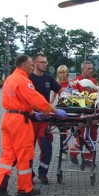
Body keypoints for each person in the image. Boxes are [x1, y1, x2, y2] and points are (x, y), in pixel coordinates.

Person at [0, 55, 68, 196]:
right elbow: (36, 99)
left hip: (8, 118)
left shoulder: (9, 79)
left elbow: (18, 100)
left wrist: (33, 114)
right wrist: (54, 110)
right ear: (25, 65)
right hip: (20, 121)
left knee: (7, 155)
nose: (32, 67)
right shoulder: (24, 81)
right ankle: (24, 188)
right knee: (24, 154)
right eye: (31, 65)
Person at [30, 53, 65, 185]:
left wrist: (67, 94)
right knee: (28, 149)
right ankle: (29, 174)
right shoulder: (28, 79)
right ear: (34, 63)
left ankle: (43, 173)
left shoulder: (48, 79)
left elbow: (61, 90)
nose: (45, 64)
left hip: (44, 119)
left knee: (46, 147)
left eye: (45, 62)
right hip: (31, 119)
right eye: (42, 62)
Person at [69, 60, 99, 166]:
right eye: (88, 69)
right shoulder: (75, 81)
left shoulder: (94, 81)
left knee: (93, 134)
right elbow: (74, 97)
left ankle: (88, 158)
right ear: (82, 69)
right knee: (83, 135)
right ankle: (73, 152)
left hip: (93, 112)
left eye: (91, 68)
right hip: (81, 113)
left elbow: (97, 94)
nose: (91, 71)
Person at [51, 64, 71, 156]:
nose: (62, 74)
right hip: (61, 108)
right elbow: (53, 96)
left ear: (67, 73)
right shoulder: (57, 84)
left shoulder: (71, 83)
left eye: (63, 72)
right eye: (60, 72)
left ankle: (72, 147)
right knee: (62, 129)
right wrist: (47, 106)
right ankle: (64, 148)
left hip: (71, 108)